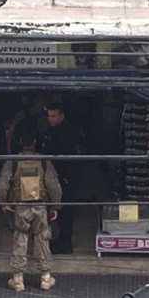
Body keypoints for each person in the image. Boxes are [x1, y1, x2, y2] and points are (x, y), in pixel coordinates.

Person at [0, 135, 62, 291]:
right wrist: (55, 207)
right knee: (42, 237)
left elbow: (1, 187)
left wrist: (4, 203)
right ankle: (45, 278)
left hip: (20, 207)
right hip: (40, 206)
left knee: (20, 238)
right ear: (35, 142)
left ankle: (18, 279)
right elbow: (54, 187)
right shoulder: (44, 162)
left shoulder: (13, 162)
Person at [40, 100, 84, 254]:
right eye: (49, 116)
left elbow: (70, 159)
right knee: (57, 210)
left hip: (65, 178)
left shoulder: (68, 133)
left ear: (62, 116)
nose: (50, 119)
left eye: (54, 116)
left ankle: (66, 243)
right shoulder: (52, 130)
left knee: (65, 211)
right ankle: (60, 239)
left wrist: (65, 178)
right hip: (54, 177)